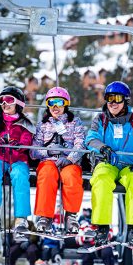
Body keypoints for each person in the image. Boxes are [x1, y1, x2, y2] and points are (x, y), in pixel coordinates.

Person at [85, 81, 133, 248]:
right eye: (109, 99)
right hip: (107, 163)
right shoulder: (101, 119)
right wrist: (103, 148)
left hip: (130, 166)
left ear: (125, 101)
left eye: (117, 99)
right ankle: (102, 227)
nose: (112, 103)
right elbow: (90, 139)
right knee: (101, 180)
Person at [0, 86, 35, 239]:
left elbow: (27, 140)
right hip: (0, 157)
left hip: (18, 159)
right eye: (2, 101)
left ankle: (21, 218)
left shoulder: (25, 123)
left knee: (20, 176)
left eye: (9, 100)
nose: (5, 104)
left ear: (18, 103)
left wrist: (18, 145)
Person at [31, 87, 85, 233]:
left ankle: (71, 215)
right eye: (51, 102)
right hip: (49, 160)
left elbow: (80, 143)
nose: (55, 107)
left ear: (66, 104)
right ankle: (45, 216)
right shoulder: (42, 125)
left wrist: (70, 158)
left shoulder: (75, 123)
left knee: (72, 176)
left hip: (68, 160)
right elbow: (34, 150)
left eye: (59, 102)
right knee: (47, 175)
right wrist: (47, 151)